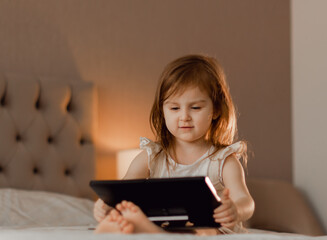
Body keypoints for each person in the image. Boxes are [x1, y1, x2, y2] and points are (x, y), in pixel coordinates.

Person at [93, 54, 255, 235]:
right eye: (174, 108)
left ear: (216, 109)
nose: (184, 116)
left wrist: (235, 209)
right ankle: (141, 228)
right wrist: (106, 204)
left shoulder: (223, 161)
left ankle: (152, 232)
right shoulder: (151, 156)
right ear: (162, 111)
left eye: (195, 108)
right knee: (134, 213)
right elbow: (123, 191)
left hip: (211, 227)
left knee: (206, 229)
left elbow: (246, 201)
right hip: (165, 223)